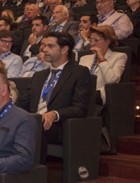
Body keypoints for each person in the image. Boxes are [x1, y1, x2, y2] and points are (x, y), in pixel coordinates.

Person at [18, 32, 91, 162]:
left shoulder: (79, 73)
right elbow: (23, 103)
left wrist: (55, 114)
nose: (44, 49)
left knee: (33, 126)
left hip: (59, 126)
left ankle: (32, 174)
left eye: (50, 46)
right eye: (43, 45)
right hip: (33, 120)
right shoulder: (39, 76)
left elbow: (80, 108)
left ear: (64, 49)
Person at [79, 26, 127, 105]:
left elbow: (112, 80)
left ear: (107, 41)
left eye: (96, 40)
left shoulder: (119, 57)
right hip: (82, 94)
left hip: (99, 95)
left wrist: (101, 59)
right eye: (91, 40)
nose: (92, 43)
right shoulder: (84, 58)